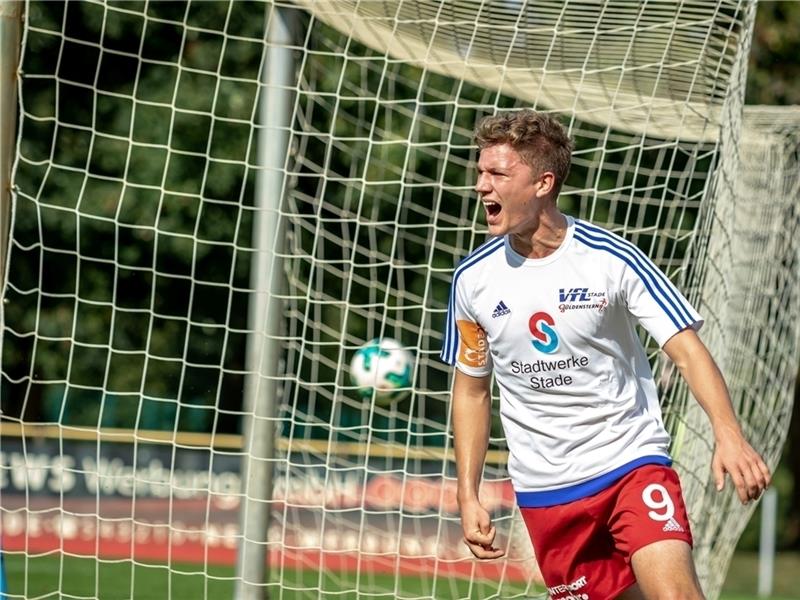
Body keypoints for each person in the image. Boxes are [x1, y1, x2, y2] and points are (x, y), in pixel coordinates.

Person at [440, 109, 771, 599]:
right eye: (480, 171)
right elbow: (472, 391)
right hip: (547, 490)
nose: (481, 186)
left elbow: (685, 349)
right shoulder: (472, 281)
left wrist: (729, 434)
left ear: (542, 183)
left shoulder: (610, 259)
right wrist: (467, 493)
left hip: (629, 462)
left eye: (498, 174)